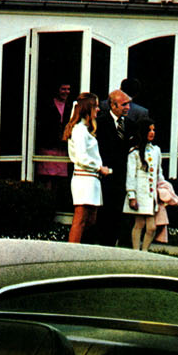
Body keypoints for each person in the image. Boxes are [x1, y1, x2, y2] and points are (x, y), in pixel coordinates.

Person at [95, 88, 151, 246]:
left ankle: (119, 245)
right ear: (113, 105)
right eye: (124, 104)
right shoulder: (100, 123)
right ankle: (104, 245)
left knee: (121, 215)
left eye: (129, 104)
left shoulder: (131, 125)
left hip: (124, 177)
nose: (128, 108)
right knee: (105, 214)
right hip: (106, 176)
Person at [64, 93, 111, 244]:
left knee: (90, 220)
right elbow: (81, 158)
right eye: (95, 106)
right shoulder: (79, 130)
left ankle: (82, 249)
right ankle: (72, 251)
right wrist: (99, 168)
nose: (98, 109)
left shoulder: (84, 130)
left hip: (92, 179)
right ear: (87, 108)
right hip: (84, 179)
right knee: (80, 219)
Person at [124, 117, 169, 252]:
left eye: (153, 130)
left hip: (151, 194)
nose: (152, 133)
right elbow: (131, 175)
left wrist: (163, 190)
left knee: (152, 227)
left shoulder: (156, 150)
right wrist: (132, 196)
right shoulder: (134, 152)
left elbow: (159, 172)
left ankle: (144, 252)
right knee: (139, 223)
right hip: (140, 193)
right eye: (149, 130)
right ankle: (136, 251)